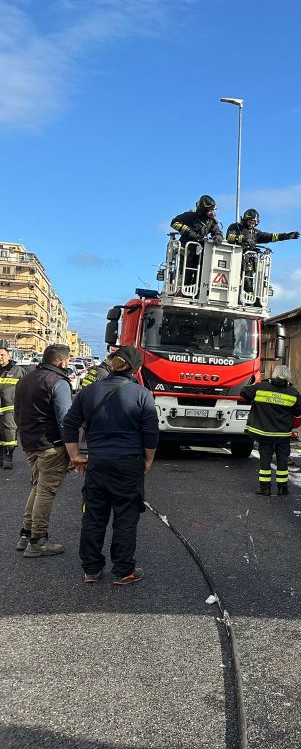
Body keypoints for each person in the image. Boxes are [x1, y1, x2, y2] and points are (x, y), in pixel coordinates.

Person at [63, 345, 157, 585]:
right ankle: (123, 570)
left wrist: (75, 456)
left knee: (94, 516)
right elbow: (150, 433)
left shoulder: (89, 392)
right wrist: (148, 460)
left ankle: (91, 569)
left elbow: (70, 424)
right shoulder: (141, 394)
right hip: (129, 464)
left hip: (97, 463)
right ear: (136, 368)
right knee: (125, 517)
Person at [13, 343, 72, 557]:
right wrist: (72, 451)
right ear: (62, 361)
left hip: (30, 442)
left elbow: (17, 411)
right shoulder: (59, 382)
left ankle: (26, 534)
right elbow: (65, 419)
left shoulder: (26, 378)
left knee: (38, 487)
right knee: (46, 491)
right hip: (51, 445)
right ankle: (38, 540)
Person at [239, 365, 301, 496]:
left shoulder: (261, 387)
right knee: (282, 460)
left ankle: (265, 488)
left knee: (265, 459)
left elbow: (243, 392)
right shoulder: (293, 392)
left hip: (265, 433)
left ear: (273, 375)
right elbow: (298, 414)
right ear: (288, 377)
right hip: (283, 434)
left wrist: (261, 384)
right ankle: (282, 488)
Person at [170, 195, 223, 289]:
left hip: (200, 250)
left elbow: (217, 231)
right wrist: (189, 232)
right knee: (186, 272)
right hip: (186, 249)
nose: (212, 213)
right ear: (203, 209)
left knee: (201, 272)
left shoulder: (211, 221)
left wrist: (218, 237)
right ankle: (183, 290)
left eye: (213, 210)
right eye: (210, 210)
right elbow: (174, 223)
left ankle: (196, 291)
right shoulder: (190, 216)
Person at [0, 346, 25, 469]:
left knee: (9, 433)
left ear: (9, 356)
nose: (0, 357)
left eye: (2, 355)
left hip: (9, 409)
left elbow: (26, 389)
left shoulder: (17, 371)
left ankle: (8, 456)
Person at [225, 209, 299, 248]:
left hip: (249, 261)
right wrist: (244, 239)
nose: (251, 225)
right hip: (235, 257)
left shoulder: (256, 233)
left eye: (253, 223)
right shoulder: (235, 227)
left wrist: (286, 236)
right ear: (245, 220)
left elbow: (270, 237)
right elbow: (229, 237)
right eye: (250, 222)